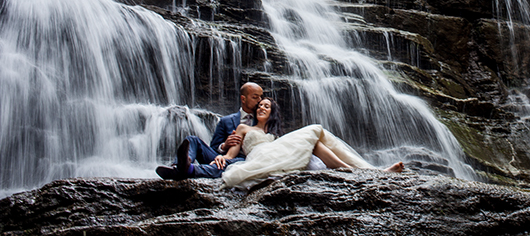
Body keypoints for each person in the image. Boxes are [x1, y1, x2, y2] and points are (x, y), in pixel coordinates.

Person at [217, 97, 404, 189]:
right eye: (259, 105)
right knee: (315, 131)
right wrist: (222, 153)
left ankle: (369, 171)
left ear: (272, 112)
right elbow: (230, 154)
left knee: (315, 142)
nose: (262, 108)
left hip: (276, 153)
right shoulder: (243, 128)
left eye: (266, 106)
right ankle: (355, 171)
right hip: (259, 156)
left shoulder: (276, 135)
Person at [156, 82, 263, 180]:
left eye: (260, 97)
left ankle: (187, 170)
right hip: (220, 158)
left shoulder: (263, 120)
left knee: (228, 164)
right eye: (255, 97)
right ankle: (179, 166)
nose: (259, 101)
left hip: (244, 161)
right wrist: (224, 146)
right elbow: (213, 147)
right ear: (243, 99)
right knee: (192, 140)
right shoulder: (225, 121)